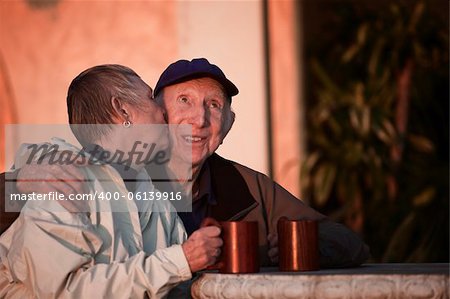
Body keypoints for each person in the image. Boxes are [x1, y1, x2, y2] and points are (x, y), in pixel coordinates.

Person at [4, 58, 369, 268]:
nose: (199, 120)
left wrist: (308, 247)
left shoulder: (247, 187)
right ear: (158, 113)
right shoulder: (118, 170)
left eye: (214, 106)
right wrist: (20, 183)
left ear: (228, 125)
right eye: (184, 101)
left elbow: (348, 241)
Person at [0, 64, 222, 298]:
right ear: (123, 110)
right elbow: (64, 292)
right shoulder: (62, 183)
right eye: (149, 97)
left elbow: (178, 288)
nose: (164, 110)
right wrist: (179, 261)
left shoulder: (158, 201)